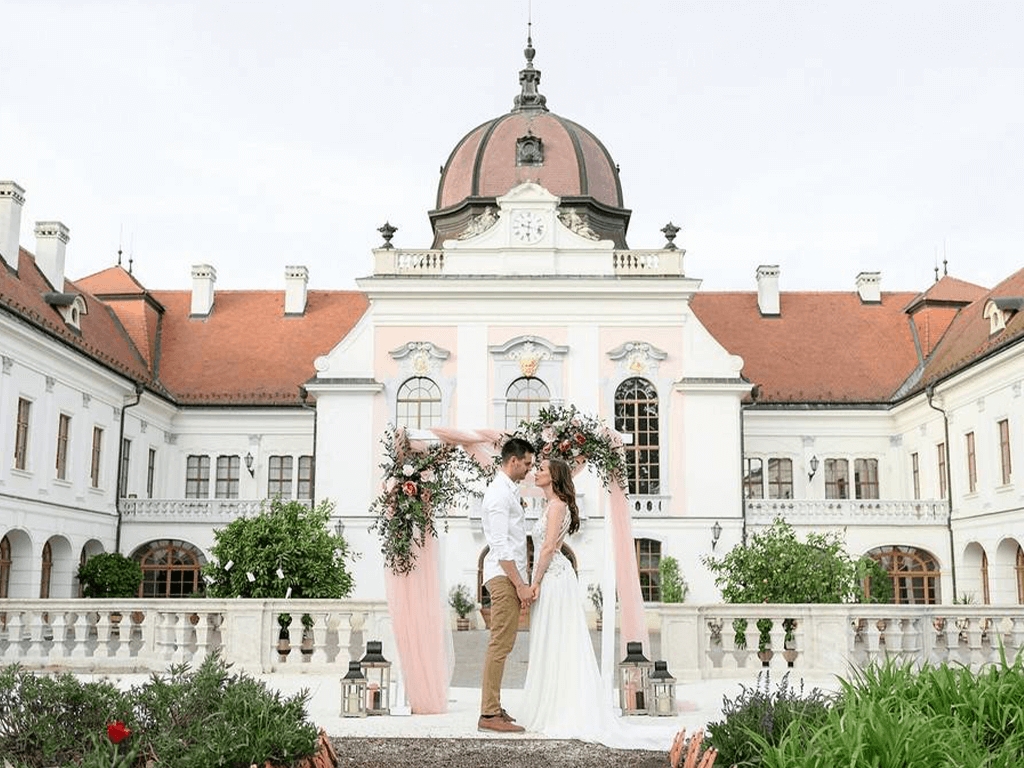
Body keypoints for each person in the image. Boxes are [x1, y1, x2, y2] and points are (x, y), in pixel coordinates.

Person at [521, 457, 675, 748]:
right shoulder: (551, 505)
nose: (536, 472)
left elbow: (548, 547)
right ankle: (553, 701)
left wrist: (534, 582)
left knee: (557, 639)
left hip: (553, 577)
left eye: (541, 469)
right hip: (554, 575)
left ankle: (560, 707)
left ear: (553, 477)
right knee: (553, 639)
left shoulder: (556, 506)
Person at [478, 437, 536, 733]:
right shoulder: (499, 494)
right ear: (513, 461)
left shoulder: (509, 490)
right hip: (502, 576)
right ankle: (489, 714)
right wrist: (520, 585)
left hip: (507, 575)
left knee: (505, 642)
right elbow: (501, 547)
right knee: (500, 643)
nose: (529, 469)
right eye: (527, 464)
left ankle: (494, 706)